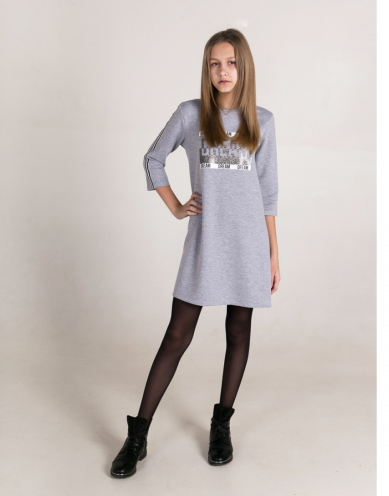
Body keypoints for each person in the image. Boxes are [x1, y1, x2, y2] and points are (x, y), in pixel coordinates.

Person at [111, 28, 280, 478]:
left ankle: (221, 424)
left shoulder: (262, 120)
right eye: (214, 63)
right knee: (177, 335)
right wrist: (175, 206)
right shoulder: (191, 114)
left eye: (231, 62)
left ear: (244, 67)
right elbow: (153, 158)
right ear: (207, 69)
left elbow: (267, 193)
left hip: (249, 243)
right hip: (206, 241)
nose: (223, 71)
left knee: (238, 330)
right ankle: (137, 435)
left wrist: (273, 254)